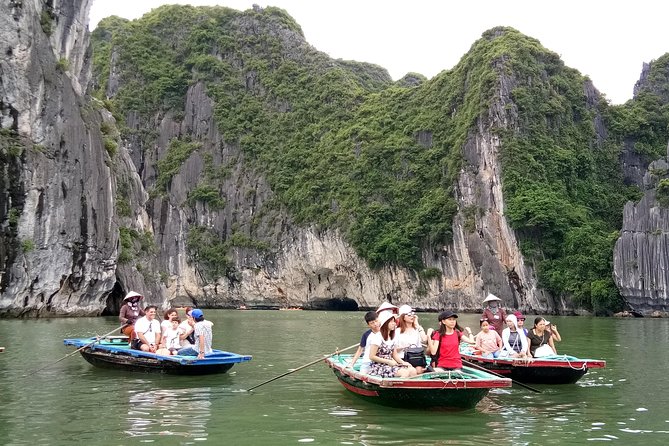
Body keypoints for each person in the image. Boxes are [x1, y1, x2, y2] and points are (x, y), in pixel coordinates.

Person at [368, 312, 417, 378]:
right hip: (379, 366)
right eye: (391, 322)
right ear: (385, 323)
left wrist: (403, 362)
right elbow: (372, 356)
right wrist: (388, 361)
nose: (394, 323)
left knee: (412, 370)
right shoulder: (378, 337)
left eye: (394, 321)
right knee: (404, 372)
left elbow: (394, 354)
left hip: (391, 364)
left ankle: (410, 387)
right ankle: (398, 387)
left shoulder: (392, 337)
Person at [394, 304, 428, 373]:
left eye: (412, 314)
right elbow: (393, 350)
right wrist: (404, 347)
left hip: (416, 357)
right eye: (409, 314)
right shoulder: (397, 331)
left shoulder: (417, 329)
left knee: (418, 370)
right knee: (411, 371)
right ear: (403, 317)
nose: (412, 316)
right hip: (403, 357)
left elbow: (424, 340)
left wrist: (417, 325)